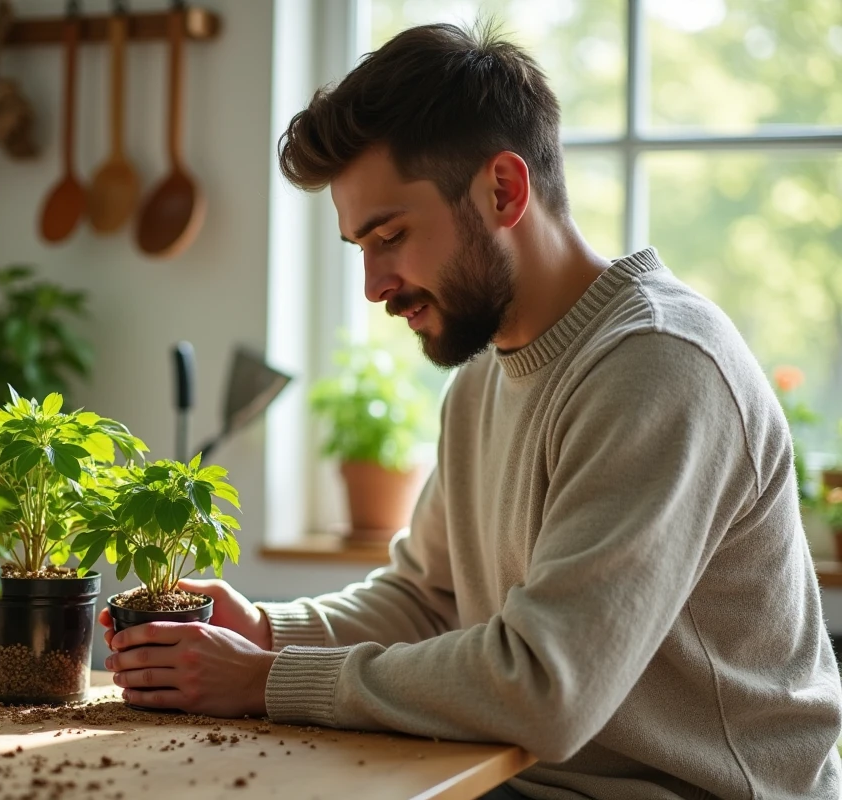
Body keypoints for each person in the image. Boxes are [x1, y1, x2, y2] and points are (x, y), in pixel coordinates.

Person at [100, 21, 842, 800]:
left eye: (390, 234)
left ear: (504, 190)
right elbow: (428, 599)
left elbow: (545, 688)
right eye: (360, 245)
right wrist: (267, 630)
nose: (373, 284)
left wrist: (266, 680)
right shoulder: (482, 381)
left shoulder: (660, 365)